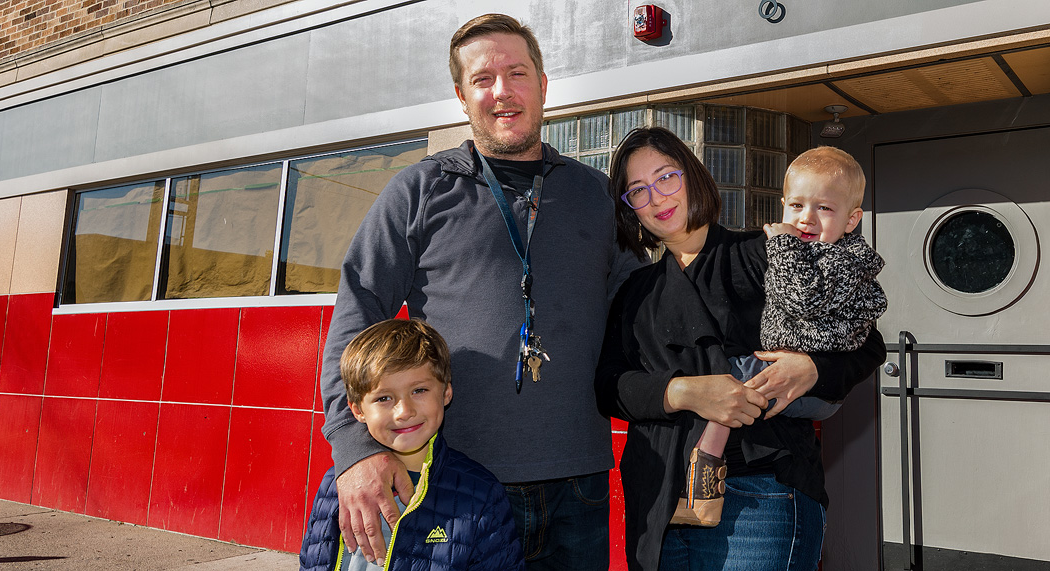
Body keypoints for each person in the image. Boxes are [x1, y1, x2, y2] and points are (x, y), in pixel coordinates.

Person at [318, 13, 645, 571]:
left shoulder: (595, 193)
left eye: (516, 73)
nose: (502, 92)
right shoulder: (419, 189)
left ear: (542, 85)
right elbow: (358, 309)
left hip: (580, 485)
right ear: (461, 95)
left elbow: (645, 312)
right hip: (456, 481)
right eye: (483, 78)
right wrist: (353, 446)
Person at [596, 127, 887, 571]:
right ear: (629, 208)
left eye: (666, 177)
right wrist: (683, 392)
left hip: (760, 493)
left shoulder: (766, 251)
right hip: (657, 498)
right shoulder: (636, 291)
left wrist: (810, 369)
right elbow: (610, 386)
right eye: (637, 190)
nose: (656, 197)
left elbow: (865, 340)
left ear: (693, 176)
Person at [675, 146, 888, 527]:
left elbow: (803, 301)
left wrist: (783, 245)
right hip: (798, 383)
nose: (806, 219)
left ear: (852, 219)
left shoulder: (841, 259)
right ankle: (700, 481)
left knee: (729, 381)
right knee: (729, 383)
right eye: (796, 206)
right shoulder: (800, 252)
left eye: (824, 208)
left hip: (816, 393)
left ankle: (703, 479)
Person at [301, 319, 525, 571]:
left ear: (446, 392)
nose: (404, 411)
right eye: (384, 398)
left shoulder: (481, 492)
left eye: (419, 390)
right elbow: (314, 561)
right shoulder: (338, 482)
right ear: (357, 410)